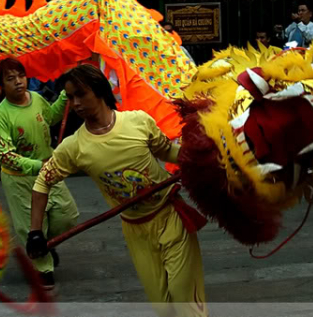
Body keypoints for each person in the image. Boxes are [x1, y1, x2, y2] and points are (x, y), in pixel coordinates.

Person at [26, 64, 207, 317]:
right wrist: (35, 232)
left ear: (99, 90)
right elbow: (42, 183)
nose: (75, 103)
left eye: (81, 94)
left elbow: (166, 151)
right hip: (135, 230)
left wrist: (200, 156)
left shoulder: (138, 121)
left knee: (185, 301)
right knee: (163, 308)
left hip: (170, 216)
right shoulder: (73, 147)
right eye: (70, 97)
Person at [0, 57, 79, 290]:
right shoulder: (0, 116)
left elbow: (51, 117)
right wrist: (37, 166)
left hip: (48, 170)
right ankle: (44, 269)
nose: (18, 82)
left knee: (67, 216)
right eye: (10, 79)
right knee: (32, 227)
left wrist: (64, 95)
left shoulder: (37, 98)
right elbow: (5, 155)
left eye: (20, 76)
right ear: (2, 85)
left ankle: (46, 244)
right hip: (20, 180)